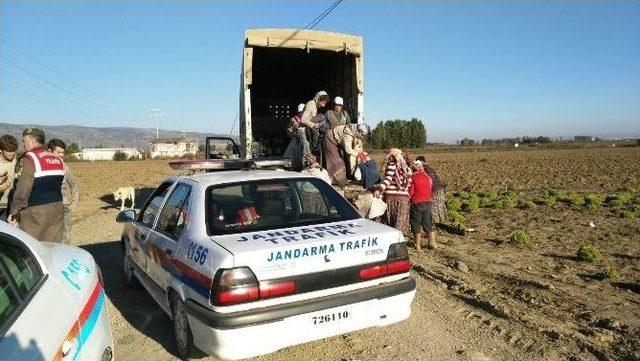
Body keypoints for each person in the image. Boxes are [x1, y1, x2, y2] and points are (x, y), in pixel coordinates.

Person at [8, 128, 65, 242]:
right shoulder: (56, 158)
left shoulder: (30, 158)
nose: (23, 144)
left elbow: (23, 189)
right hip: (57, 209)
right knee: (51, 247)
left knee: (30, 247)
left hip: (35, 213)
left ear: (32, 140)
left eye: (24, 141)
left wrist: (14, 212)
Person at [374, 148, 412, 234]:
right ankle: (399, 240)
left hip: (392, 198)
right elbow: (408, 183)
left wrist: (379, 189)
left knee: (390, 222)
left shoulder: (392, 165)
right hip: (404, 199)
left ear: (392, 156)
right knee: (400, 223)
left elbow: (388, 179)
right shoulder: (406, 168)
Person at [48, 139, 79, 244]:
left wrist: (75, 201)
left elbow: (73, 183)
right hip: (47, 207)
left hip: (63, 207)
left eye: (63, 152)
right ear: (49, 151)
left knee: (65, 237)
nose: (61, 155)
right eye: (58, 152)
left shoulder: (64, 167)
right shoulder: (42, 167)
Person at [409, 160, 436, 251]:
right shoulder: (427, 177)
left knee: (416, 223)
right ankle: (432, 242)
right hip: (428, 202)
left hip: (417, 203)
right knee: (427, 222)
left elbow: (411, 192)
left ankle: (417, 245)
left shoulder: (413, 178)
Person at [416, 155, 446, 225]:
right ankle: (441, 222)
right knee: (440, 206)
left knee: (433, 207)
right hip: (440, 189)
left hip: (433, 190)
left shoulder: (424, 169)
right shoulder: (430, 168)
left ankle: (435, 223)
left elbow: (428, 182)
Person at [300, 91, 330, 158]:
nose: (325, 101)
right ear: (318, 98)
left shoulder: (315, 107)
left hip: (309, 130)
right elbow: (303, 119)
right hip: (304, 130)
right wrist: (314, 125)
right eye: (323, 99)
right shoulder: (311, 104)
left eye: (326, 100)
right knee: (322, 117)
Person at [0, 135, 19, 220]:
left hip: (8, 205)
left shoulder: (14, 162)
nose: (12, 153)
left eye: (14, 151)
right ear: (0, 150)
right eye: (9, 151)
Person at [285, 103, 307, 170]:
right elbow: (288, 130)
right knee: (295, 156)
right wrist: (293, 134)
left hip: (306, 141)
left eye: (302, 112)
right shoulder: (293, 119)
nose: (301, 114)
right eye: (300, 112)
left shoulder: (308, 119)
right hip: (296, 141)